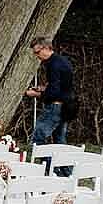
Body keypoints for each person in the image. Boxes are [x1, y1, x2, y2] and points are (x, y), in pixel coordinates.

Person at [25, 37, 75, 174]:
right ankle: (67, 174)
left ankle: (49, 170)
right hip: (65, 106)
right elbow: (62, 86)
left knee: (37, 139)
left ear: (46, 48)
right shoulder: (62, 61)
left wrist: (35, 94)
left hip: (55, 107)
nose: (36, 56)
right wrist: (42, 88)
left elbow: (54, 92)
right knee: (60, 141)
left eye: (38, 52)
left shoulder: (53, 65)